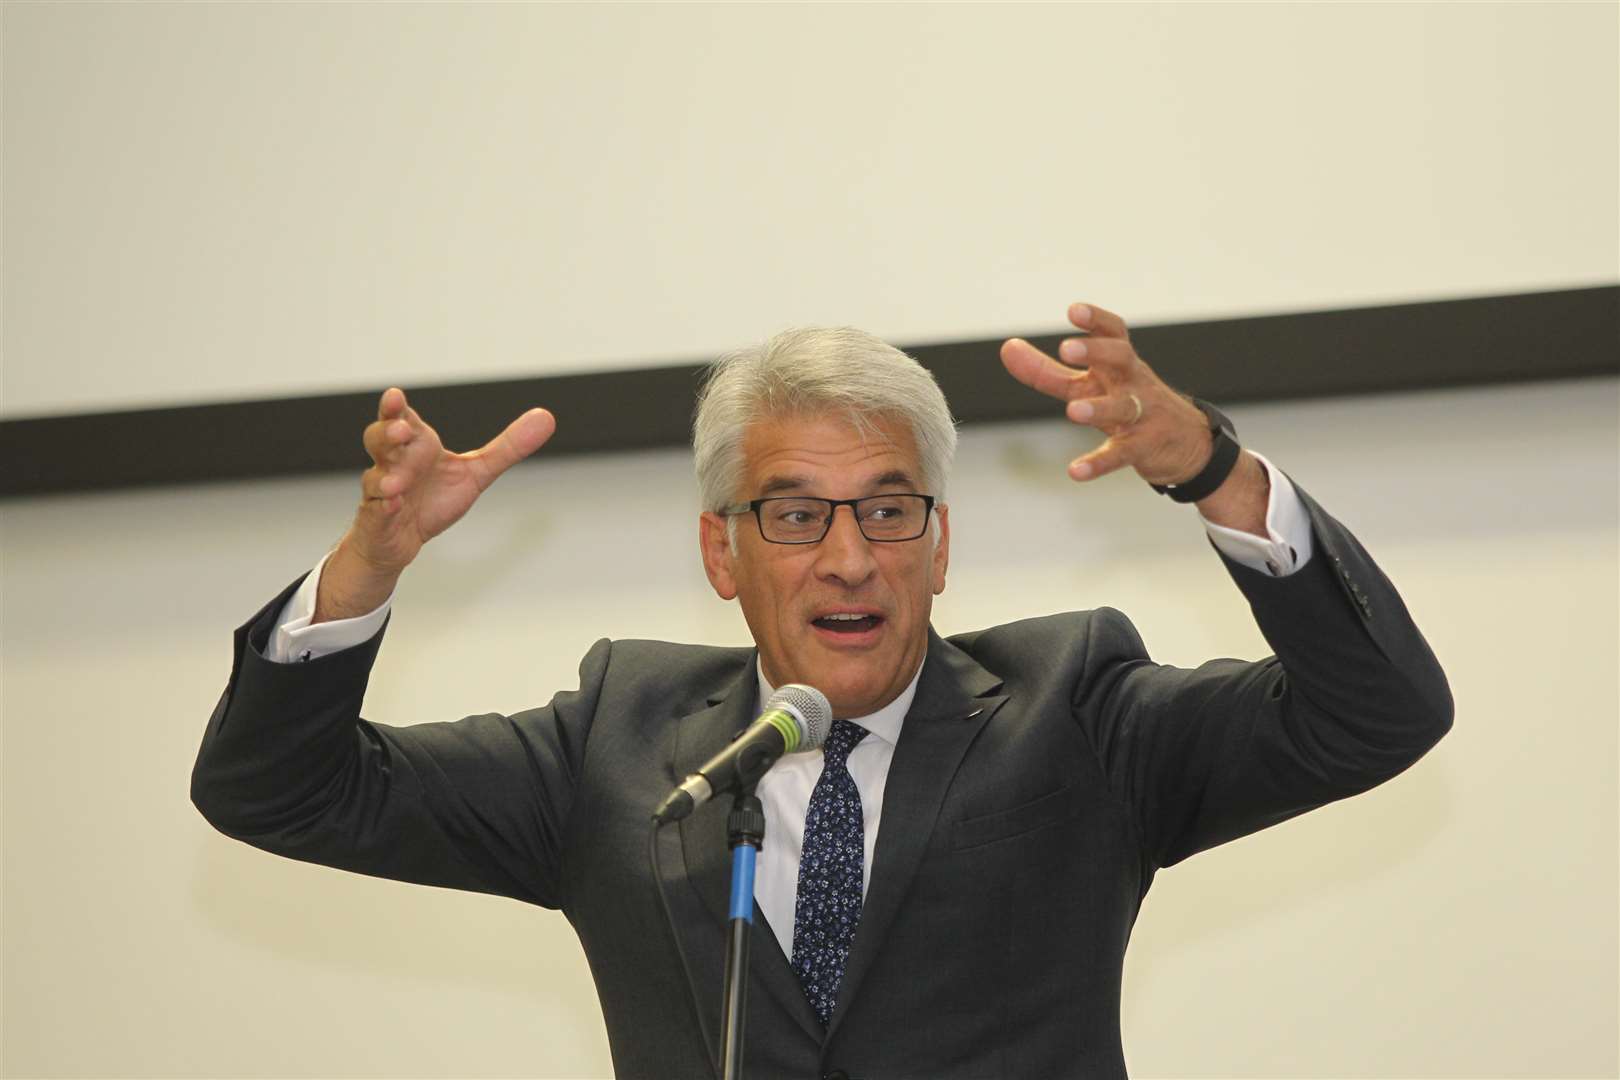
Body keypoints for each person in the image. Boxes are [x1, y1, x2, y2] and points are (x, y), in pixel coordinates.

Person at [191, 301, 1451, 1079]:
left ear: (940, 545)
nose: (849, 556)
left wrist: (1216, 474)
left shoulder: (1076, 712)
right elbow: (277, 790)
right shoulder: (616, 746)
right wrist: (371, 565)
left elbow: (1376, 712)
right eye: (795, 514)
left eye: (889, 510)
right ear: (718, 551)